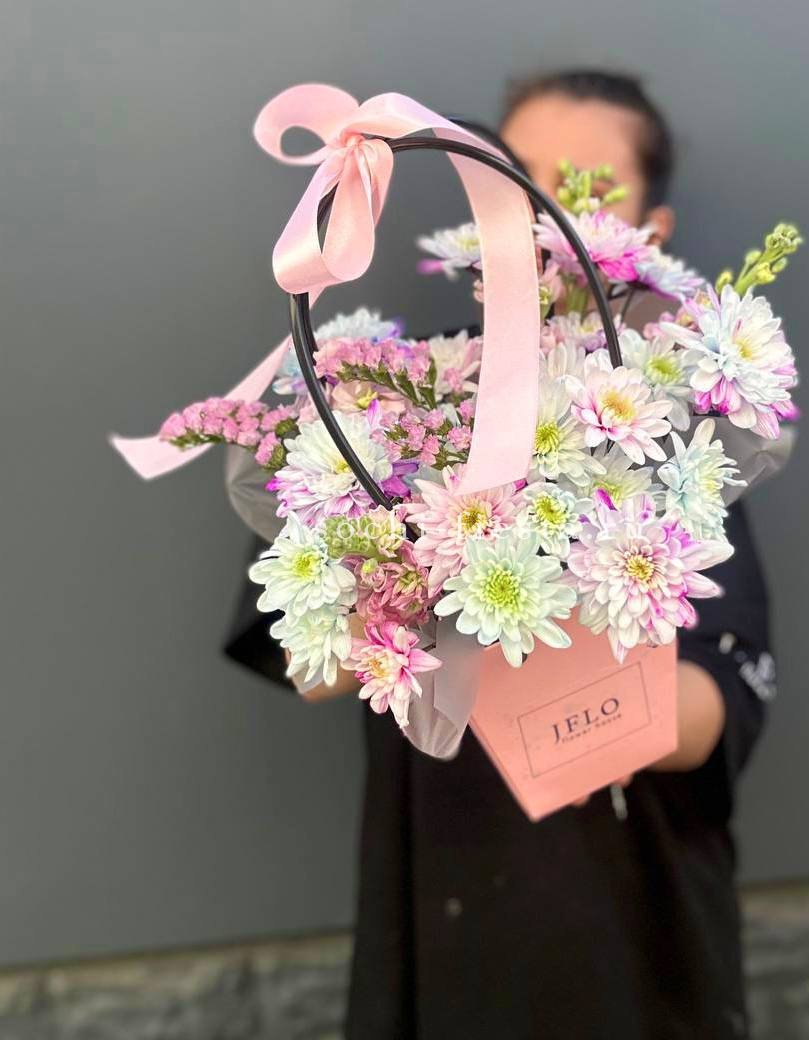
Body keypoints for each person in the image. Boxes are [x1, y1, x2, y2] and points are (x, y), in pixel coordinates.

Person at [226, 69, 774, 1039]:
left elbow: (714, 705)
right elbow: (308, 657)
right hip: (439, 909)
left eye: (583, 189)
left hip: (629, 930)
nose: (542, 213)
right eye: (516, 177)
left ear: (648, 231)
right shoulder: (402, 397)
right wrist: (412, 571)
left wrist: (553, 613)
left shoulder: (671, 428)